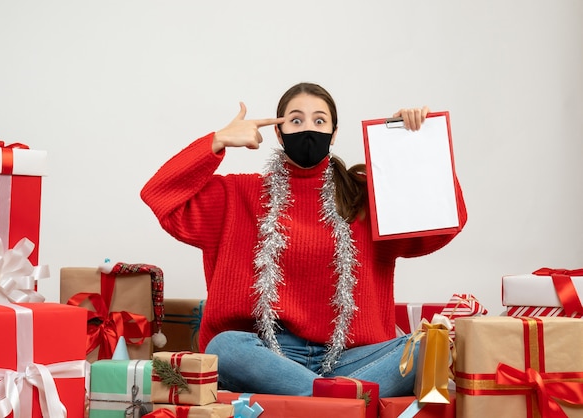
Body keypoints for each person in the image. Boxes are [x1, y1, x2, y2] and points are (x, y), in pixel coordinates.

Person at [141, 82, 467, 397]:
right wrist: (218, 141)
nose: (308, 129)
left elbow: (445, 223)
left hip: (352, 358)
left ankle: (321, 400)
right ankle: (339, 401)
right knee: (224, 348)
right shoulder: (237, 194)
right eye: (295, 120)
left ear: (334, 133)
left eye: (319, 120)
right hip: (270, 357)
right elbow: (159, 195)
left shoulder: (365, 196)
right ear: (279, 133)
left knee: (427, 345)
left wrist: (416, 142)